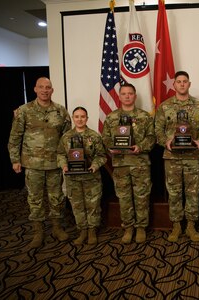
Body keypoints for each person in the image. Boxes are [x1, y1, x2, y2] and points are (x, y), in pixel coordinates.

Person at [8, 77, 71, 249]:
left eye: (48, 87)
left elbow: (67, 138)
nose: (45, 90)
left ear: (52, 90)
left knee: (56, 197)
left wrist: (66, 159)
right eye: (41, 87)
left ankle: (57, 228)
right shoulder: (24, 111)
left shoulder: (60, 111)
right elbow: (15, 137)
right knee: (35, 199)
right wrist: (15, 160)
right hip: (32, 163)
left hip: (54, 163)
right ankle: (38, 232)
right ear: (35, 89)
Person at [155, 70, 199, 242]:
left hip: (193, 156)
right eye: (178, 81)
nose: (181, 84)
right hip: (172, 157)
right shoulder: (165, 107)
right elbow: (157, 130)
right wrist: (166, 141)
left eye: (184, 81)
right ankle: (177, 225)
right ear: (174, 85)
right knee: (174, 192)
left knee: (193, 192)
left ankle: (191, 225)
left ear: (189, 84)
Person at [102, 83, 155, 244]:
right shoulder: (111, 118)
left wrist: (141, 146)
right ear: (119, 96)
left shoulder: (144, 116)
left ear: (135, 96)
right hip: (120, 164)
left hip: (140, 163)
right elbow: (105, 138)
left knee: (141, 197)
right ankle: (128, 227)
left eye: (130, 93)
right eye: (124, 93)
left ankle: (140, 227)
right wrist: (111, 148)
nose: (127, 96)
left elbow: (152, 138)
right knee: (124, 197)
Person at [57, 107, 107, 246]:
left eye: (83, 116)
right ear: (73, 118)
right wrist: (64, 165)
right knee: (77, 206)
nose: (80, 119)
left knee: (93, 205)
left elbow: (102, 156)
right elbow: (60, 154)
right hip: (73, 179)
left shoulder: (94, 136)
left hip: (91, 178)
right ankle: (82, 230)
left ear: (87, 118)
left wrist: (95, 166)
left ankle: (92, 231)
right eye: (77, 116)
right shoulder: (66, 137)